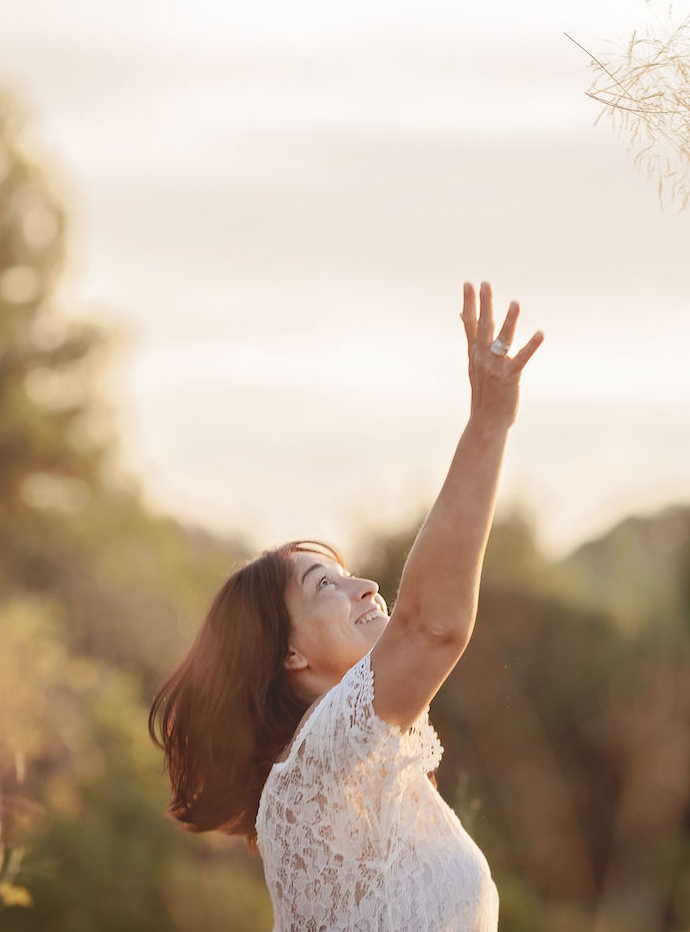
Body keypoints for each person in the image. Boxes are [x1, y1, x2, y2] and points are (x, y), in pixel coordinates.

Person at [149, 281, 544, 931]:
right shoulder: (311, 775)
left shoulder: (381, 770)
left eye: (345, 575)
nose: (363, 586)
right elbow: (431, 627)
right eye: (321, 587)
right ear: (288, 652)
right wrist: (489, 423)